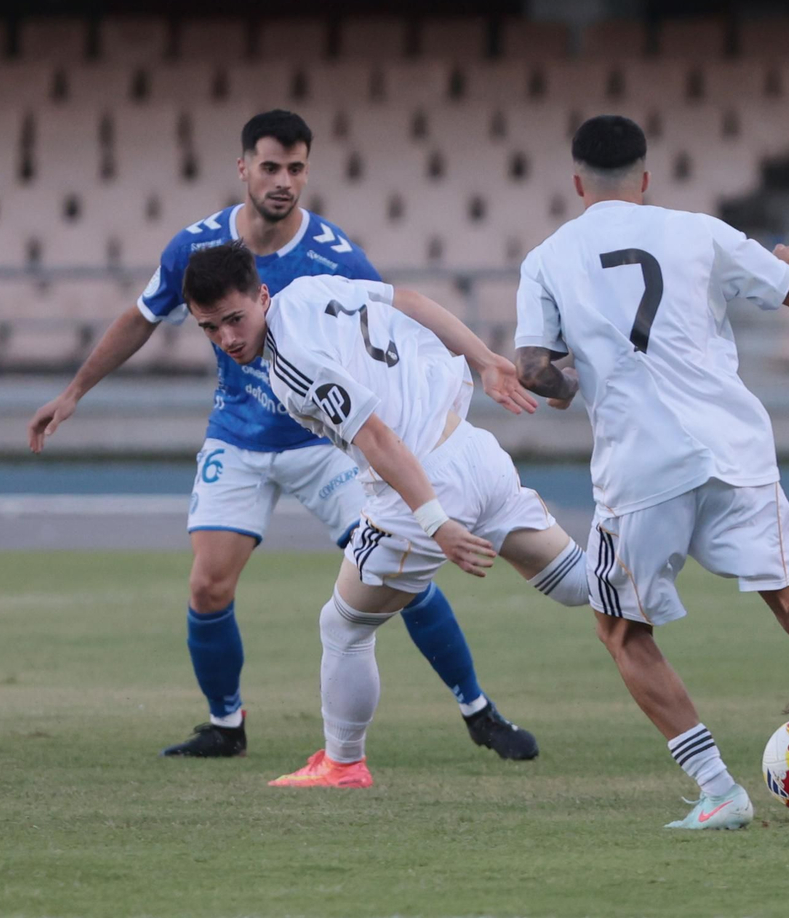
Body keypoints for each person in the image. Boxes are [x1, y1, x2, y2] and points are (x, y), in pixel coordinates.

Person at [26, 110, 541, 761]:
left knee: (397, 569)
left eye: (296, 168)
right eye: (270, 166)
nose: (283, 181)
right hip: (237, 436)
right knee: (208, 585)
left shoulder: (331, 253)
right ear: (243, 168)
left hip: (325, 446)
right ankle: (225, 726)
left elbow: (387, 322)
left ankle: (477, 710)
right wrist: (73, 392)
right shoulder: (198, 248)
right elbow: (141, 318)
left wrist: (466, 369)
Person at [512, 114, 789, 829]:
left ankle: (719, 789)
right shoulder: (697, 230)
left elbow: (536, 370)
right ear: (644, 179)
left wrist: (574, 385)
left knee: (621, 631)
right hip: (735, 447)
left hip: (640, 465)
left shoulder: (549, 257)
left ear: (578, 182)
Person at [176, 242, 589, 788]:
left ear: (262, 296)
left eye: (235, 319)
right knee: (584, 585)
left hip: (420, 482)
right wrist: (485, 359)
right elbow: (411, 300)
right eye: (210, 328)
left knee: (343, 625)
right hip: (473, 451)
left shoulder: (291, 362)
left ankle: (343, 764)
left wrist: (436, 522)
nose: (228, 338)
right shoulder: (312, 291)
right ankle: (667, 538)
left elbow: (377, 438)